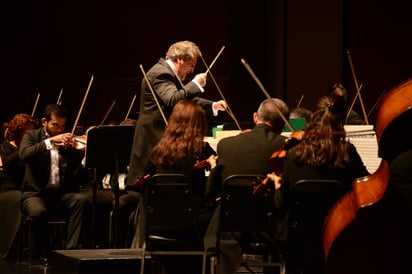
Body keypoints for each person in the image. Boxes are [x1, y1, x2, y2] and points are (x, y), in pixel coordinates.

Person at [269, 105, 370, 274]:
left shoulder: (293, 155)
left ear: (309, 127)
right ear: (339, 129)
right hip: (338, 235)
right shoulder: (347, 152)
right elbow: (364, 187)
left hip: (300, 238)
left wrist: (278, 186)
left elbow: (282, 204)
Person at [203, 98, 290, 274]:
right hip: (267, 228)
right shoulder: (285, 147)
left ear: (255, 117)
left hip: (229, 229)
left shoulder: (226, 145)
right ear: (282, 126)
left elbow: (211, 193)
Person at [126, 40, 226, 188]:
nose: (192, 70)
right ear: (180, 59)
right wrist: (195, 84)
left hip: (161, 142)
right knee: (145, 190)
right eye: (191, 65)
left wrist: (213, 106)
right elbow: (174, 100)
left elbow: (184, 98)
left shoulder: (168, 73)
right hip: (153, 141)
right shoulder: (160, 73)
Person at [138, 100, 216, 274]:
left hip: (158, 227)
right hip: (191, 228)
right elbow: (209, 192)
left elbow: (145, 184)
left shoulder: (158, 152)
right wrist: (214, 167)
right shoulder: (201, 151)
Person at [19, 104, 89, 264]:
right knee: (38, 212)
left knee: (80, 200)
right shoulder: (32, 135)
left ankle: (71, 252)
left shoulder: (66, 143)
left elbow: (77, 172)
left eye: (63, 126)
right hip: (35, 194)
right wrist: (50, 142)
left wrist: (79, 153)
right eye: (55, 125)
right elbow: (24, 154)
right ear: (44, 121)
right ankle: (43, 252)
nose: (59, 130)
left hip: (59, 195)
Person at [0, 114, 38, 259]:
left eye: (32, 132)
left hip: (25, 190)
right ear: (18, 130)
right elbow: (8, 162)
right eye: (27, 132)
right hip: (8, 191)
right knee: (18, 198)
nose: (30, 135)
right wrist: (24, 148)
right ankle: (11, 249)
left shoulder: (31, 148)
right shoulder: (5, 147)